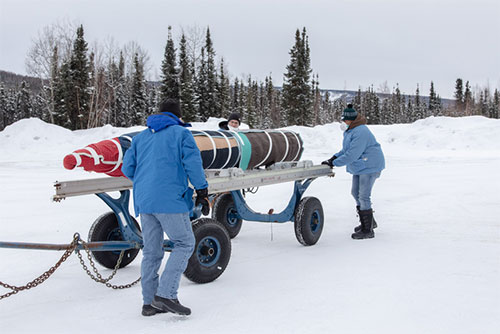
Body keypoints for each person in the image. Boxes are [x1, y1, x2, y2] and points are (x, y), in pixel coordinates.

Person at [122, 98, 210, 317]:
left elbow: (127, 168)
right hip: (170, 199)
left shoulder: (140, 137)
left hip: (144, 200)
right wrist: (202, 191)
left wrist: (147, 181)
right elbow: (193, 165)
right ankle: (166, 295)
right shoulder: (181, 134)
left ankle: (149, 303)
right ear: (177, 117)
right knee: (185, 242)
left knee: (151, 252)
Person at [322, 104, 385, 240]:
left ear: (351, 120)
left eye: (345, 120)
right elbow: (346, 151)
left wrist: (334, 163)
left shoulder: (360, 131)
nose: (343, 122)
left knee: (363, 196)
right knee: (355, 192)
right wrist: (333, 158)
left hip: (370, 165)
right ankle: (369, 222)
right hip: (361, 164)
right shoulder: (351, 131)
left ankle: (367, 230)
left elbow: (352, 155)